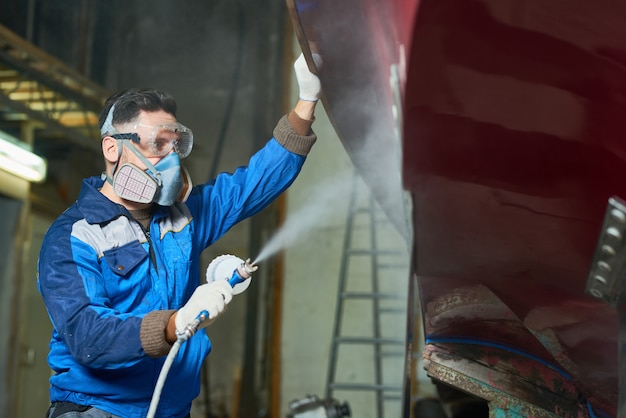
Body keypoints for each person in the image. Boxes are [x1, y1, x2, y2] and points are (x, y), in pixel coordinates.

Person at [38, 52, 322, 418]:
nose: (171, 160)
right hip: (97, 409)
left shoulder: (182, 218)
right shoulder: (73, 237)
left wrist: (307, 101)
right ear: (112, 147)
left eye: (175, 146)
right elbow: (86, 333)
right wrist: (175, 324)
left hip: (172, 409)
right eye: (158, 145)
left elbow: (252, 184)